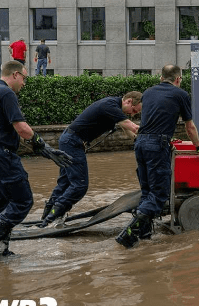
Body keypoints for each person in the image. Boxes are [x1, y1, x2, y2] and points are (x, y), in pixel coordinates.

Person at [0, 61, 73, 256]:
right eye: (24, 78)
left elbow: (8, 131)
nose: (24, 83)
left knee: (2, 204)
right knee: (23, 201)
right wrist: (43, 144)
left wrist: (39, 148)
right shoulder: (7, 93)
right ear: (15, 75)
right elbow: (22, 128)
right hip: (1, 155)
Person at [115, 64, 199, 248]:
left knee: (147, 192)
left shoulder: (148, 92)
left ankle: (144, 236)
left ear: (161, 77)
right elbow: (189, 127)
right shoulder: (180, 94)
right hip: (156, 146)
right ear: (178, 79)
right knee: (159, 195)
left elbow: (154, 118)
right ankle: (128, 234)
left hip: (140, 143)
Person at [39, 91, 143, 228]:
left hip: (69, 140)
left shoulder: (113, 106)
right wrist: (152, 135)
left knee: (65, 182)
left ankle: (47, 215)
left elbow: (127, 129)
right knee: (79, 185)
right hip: (73, 142)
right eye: (134, 110)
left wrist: (136, 140)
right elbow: (133, 127)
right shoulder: (110, 105)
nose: (133, 114)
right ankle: (52, 218)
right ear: (129, 101)